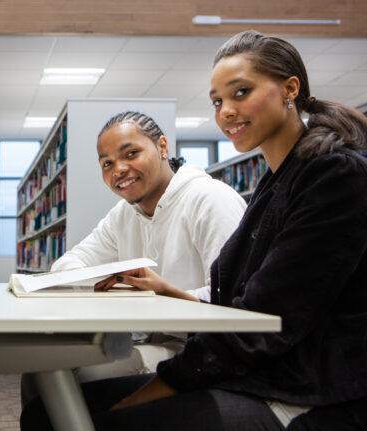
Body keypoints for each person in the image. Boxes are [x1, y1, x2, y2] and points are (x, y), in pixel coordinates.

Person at [21, 30, 367, 430]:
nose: (226, 111)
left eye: (241, 92)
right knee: (45, 413)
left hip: (300, 392)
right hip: (247, 368)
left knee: (80, 419)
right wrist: (171, 296)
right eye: (217, 101)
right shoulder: (275, 183)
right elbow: (240, 306)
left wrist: (154, 391)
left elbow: (263, 320)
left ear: (290, 89)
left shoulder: (333, 176)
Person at [28, 111, 246, 393]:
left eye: (131, 153)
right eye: (107, 163)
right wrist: (99, 281)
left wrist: (152, 297)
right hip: (154, 340)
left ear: (162, 147)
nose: (118, 169)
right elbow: (70, 262)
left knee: (82, 375)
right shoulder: (123, 214)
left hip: (207, 349)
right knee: (41, 367)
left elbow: (232, 301)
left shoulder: (210, 199)